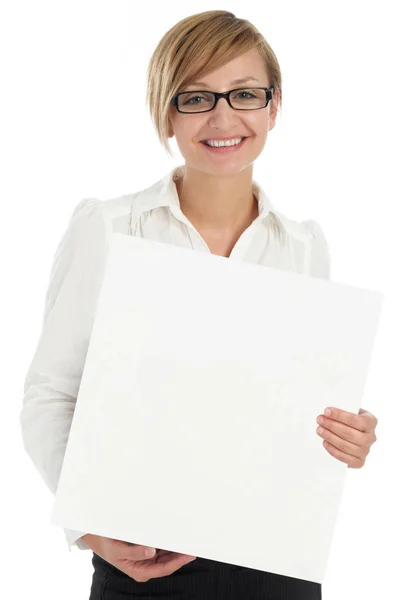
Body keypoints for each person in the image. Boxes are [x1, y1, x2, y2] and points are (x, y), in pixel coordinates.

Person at [20, 9, 329, 600]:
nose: (223, 117)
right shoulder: (109, 228)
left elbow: (299, 406)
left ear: (273, 105)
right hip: (147, 564)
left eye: (244, 93)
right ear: (166, 110)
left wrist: (344, 432)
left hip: (279, 562)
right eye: (196, 97)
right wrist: (90, 527)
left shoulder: (304, 246)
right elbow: (51, 394)